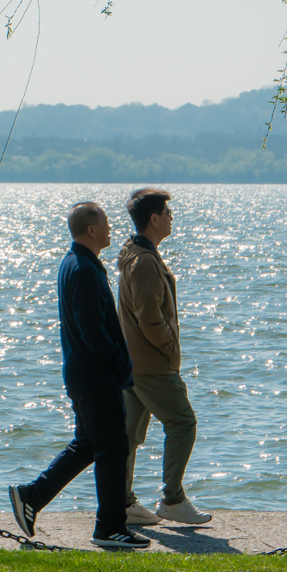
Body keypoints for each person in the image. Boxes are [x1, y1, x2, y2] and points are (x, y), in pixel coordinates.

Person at [8, 201, 150, 549]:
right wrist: (121, 364)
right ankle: (110, 528)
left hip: (83, 375)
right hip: (96, 377)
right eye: (106, 222)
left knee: (88, 445)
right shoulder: (84, 269)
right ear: (91, 229)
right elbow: (93, 332)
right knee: (113, 450)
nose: (110, 228)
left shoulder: (74, 262)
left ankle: (31, 496)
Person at [117, 188, 212, 527]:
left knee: (129, 435)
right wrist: (170, 348)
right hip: (151, 364)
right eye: (168, 213)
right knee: (183, 422)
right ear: (154, 219)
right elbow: (149, 318)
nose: (172, 218)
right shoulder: (143, 261)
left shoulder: (135, 252)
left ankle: (121, 501)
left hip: (132, 363)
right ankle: (172, 499)